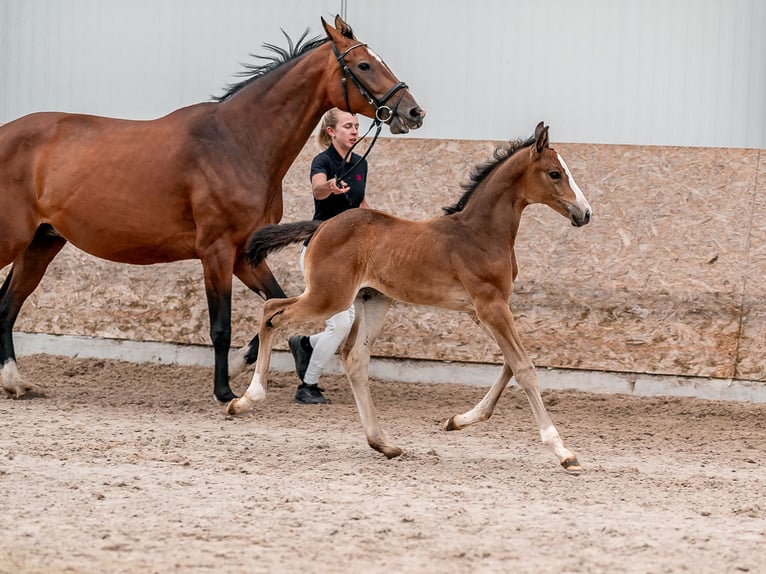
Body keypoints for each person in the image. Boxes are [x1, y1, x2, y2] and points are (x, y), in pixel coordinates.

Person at [289, 108, 370, 404]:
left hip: (347, 255)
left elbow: (361, 204)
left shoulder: (361, 163)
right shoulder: (322, 161)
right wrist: (330, 186)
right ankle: (307, 386)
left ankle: (306, 344)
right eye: (348, 126)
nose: (354, 130)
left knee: (342, 322)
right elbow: (318, 190)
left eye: (356, 126)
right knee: (341, 323)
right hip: (320, 251)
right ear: (332, 132)